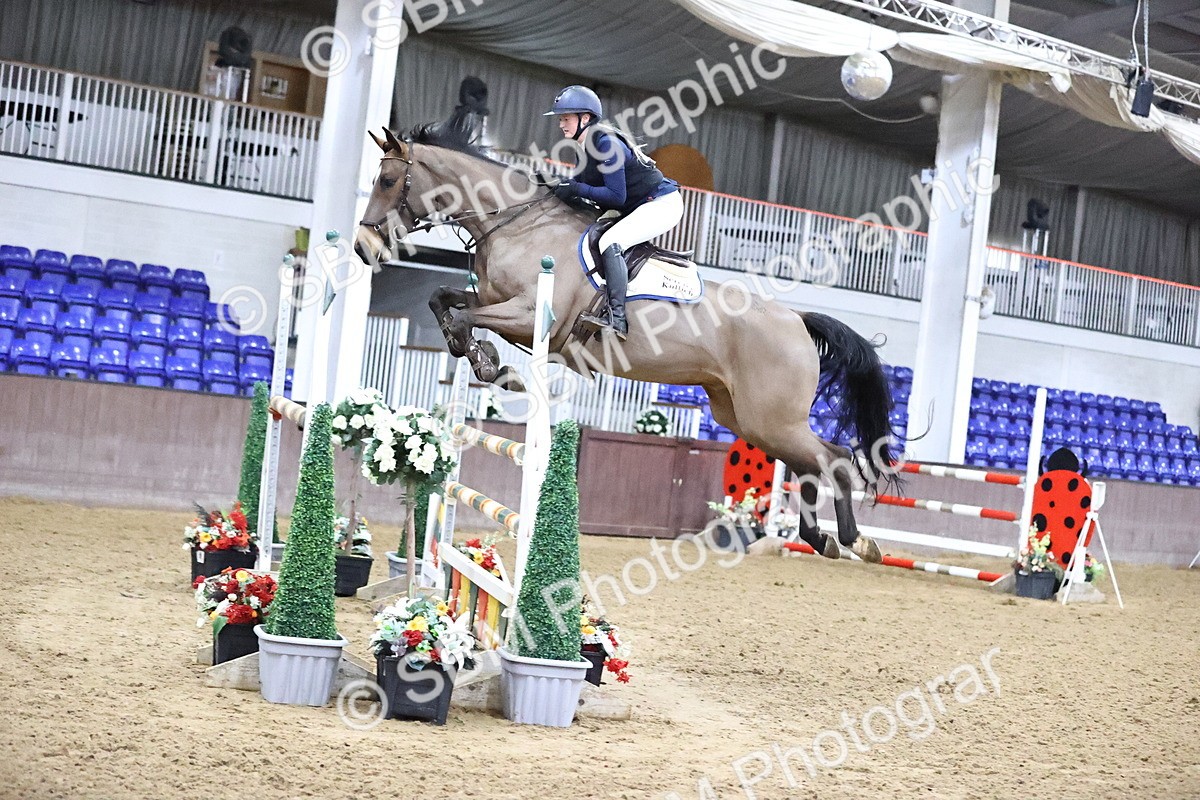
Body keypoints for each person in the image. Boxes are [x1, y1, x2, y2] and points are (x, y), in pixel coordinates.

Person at [544, 85, 682, 340]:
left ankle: (617, 318)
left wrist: (575, 188)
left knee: (610, 241)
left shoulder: (607, 144)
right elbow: (579, 187)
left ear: (585, 118)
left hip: (661, 204)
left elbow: (616, 196)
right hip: (635, 206)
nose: (561, 124)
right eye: (560, 119)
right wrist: (552, 185)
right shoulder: (584, 148)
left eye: (566, 118)